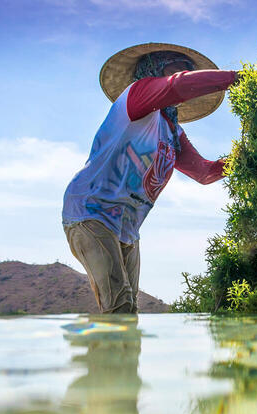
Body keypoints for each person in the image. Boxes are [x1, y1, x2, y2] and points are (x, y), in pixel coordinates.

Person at [62, 43, 237, 314]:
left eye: (189, 70)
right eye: (177, 67)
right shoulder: (137, 95)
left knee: (128, 309)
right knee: (119, 305)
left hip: (127, 227)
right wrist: (238, 79)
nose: (184, 73)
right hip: (91, 211)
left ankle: (109, 356)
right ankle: (100, 352)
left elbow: (204, 172)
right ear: (155, 68)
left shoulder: (172, 131)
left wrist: (246, 158)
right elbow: (175, 86)